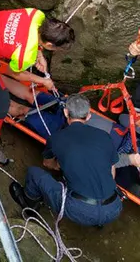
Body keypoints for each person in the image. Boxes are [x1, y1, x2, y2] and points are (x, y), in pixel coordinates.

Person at [0, 8, 74, 164]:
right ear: (49, 44)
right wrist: (43, 81)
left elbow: (27, 37)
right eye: (56, 48)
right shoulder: (25, 54)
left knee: (9, 77)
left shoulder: (37, 15)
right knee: (2, 103)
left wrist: (39, 54)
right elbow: (15, 73)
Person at [9, 94, 122, 227]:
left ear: (65, 112)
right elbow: (111, 169)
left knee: (34, 173)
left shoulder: (56, 138)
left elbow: (47, 163)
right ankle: (99, 220)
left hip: (80, 209)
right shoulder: (104, 136)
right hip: (114, 208)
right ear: (89, 115)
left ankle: (29, 203)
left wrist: (60, 164)